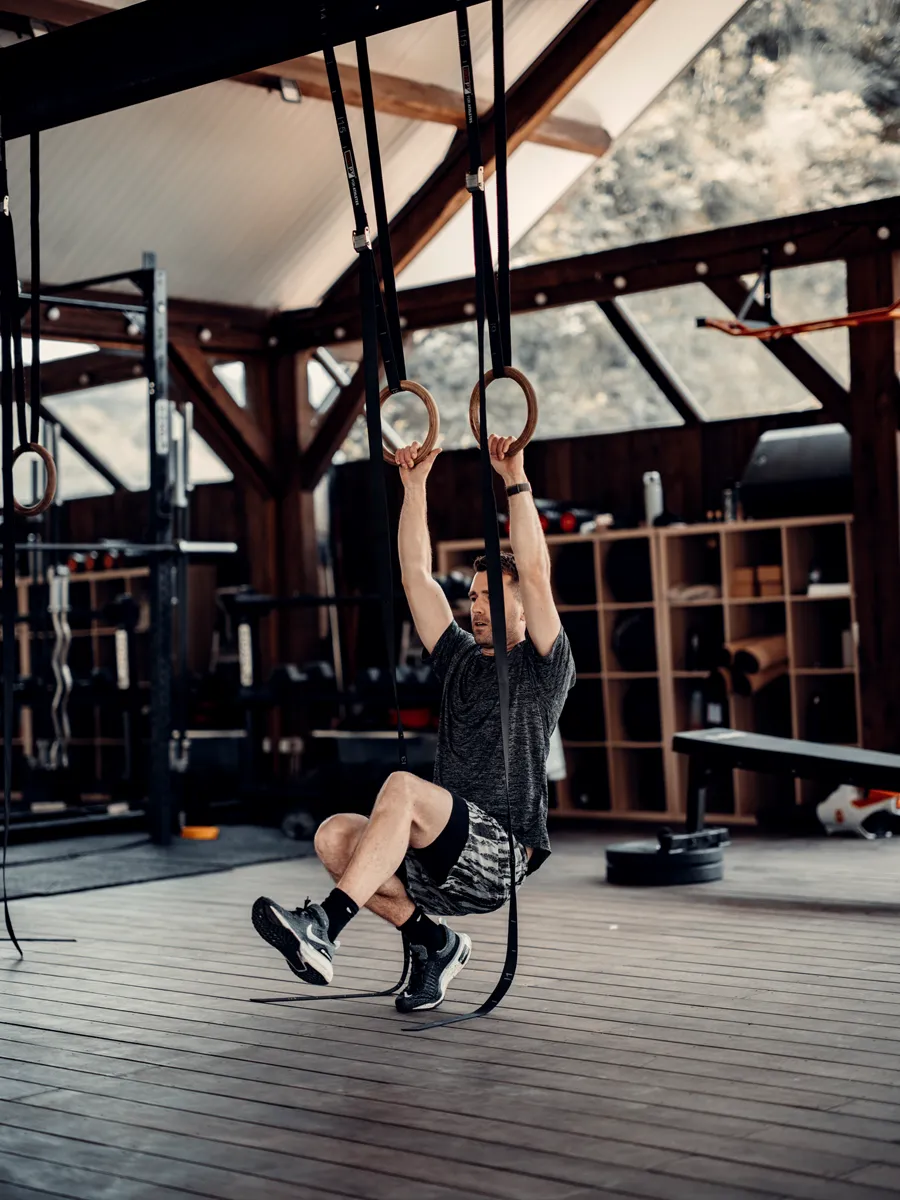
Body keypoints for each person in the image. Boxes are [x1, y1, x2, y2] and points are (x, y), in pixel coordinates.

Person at [252, 433, 575, 1012]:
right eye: (473, 597)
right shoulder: (456, 660)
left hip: (499, 854)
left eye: (492, 598)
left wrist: (514, 478)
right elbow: (415, 576)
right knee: (333, 836)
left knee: (402, 787)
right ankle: (433, 942)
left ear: (525, 606)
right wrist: (414, 484)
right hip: (440, 854)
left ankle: (324, 925)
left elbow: (533, 565)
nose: (477, 607)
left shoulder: (543, 667)